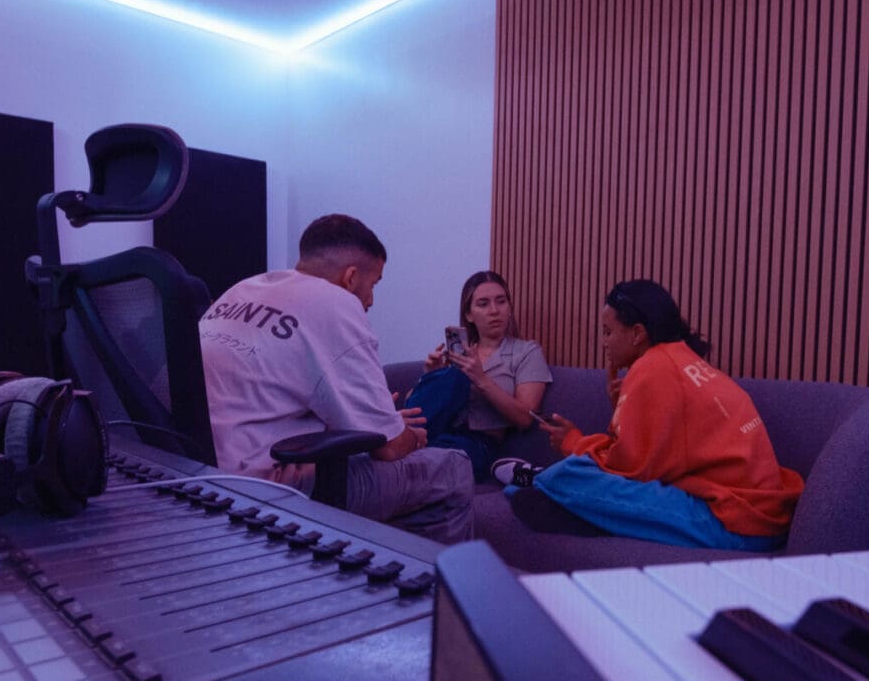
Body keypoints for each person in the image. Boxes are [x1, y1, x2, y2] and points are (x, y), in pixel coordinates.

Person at [199, 214, 473, 543]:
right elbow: (388, 450)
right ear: (351, 277)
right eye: (374, 284)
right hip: (266, 487)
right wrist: (410, 436)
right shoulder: (338, 304)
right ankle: (420, 588)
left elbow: (269, 403)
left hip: (198, 475)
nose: (371, 300)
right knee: (453, 467)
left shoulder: (241, 290)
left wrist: (377, 423)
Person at [510, 279, 803, 550]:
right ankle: (571, 505)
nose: (605, 343)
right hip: (761, 514)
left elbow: (631, 469)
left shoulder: (653, 368)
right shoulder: (681, 357)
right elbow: (666, 453)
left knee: (568, 474)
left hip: (736, 522)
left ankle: (545, 484)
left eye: (609, 332)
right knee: (577, 473)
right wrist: (621, 409)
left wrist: (572, 443)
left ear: (637, 333)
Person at [402, 271, 552, 481]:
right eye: (483, 304)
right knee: (451, 379)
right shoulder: (458, 353)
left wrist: (481, 379)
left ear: (509, 307)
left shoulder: (526, 352)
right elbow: (412, 403)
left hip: (478, 444)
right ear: (469, 314)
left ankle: (401, 446)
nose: (494, 311)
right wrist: (430, 377)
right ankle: (399, 441)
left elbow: (526, 418)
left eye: (501, 302)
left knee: (424, 456)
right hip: (433, 431)